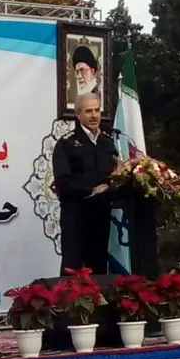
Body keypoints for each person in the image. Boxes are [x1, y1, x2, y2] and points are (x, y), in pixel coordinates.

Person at [52, 92, 118, 275]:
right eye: (88, 111)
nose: (94, 115)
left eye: (97, 110)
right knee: (72, 271)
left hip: (101, 216)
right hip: (76, 217)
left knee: (98, 270)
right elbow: (63, 183)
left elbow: (114, 176)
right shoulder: (66, 144)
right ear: (78, 114)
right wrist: (92, 190)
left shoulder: (107, 143)